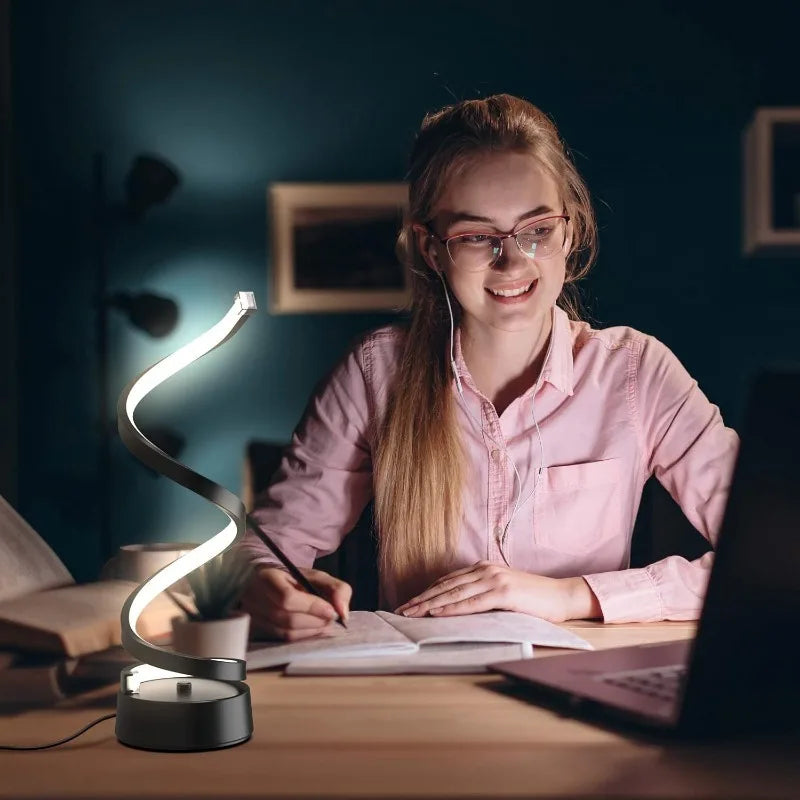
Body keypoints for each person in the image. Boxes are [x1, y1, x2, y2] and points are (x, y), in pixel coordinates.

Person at [238, 93, 739, 642]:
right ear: (432, 248)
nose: (513, 261)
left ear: (570, 232)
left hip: (577, 678)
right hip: (417, 686)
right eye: (477, 237)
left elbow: (771, 559)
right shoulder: (373, 372)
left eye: (537, 230)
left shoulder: (638, 373)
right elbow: (264, 549)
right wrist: (266, 585)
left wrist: (570, 596)